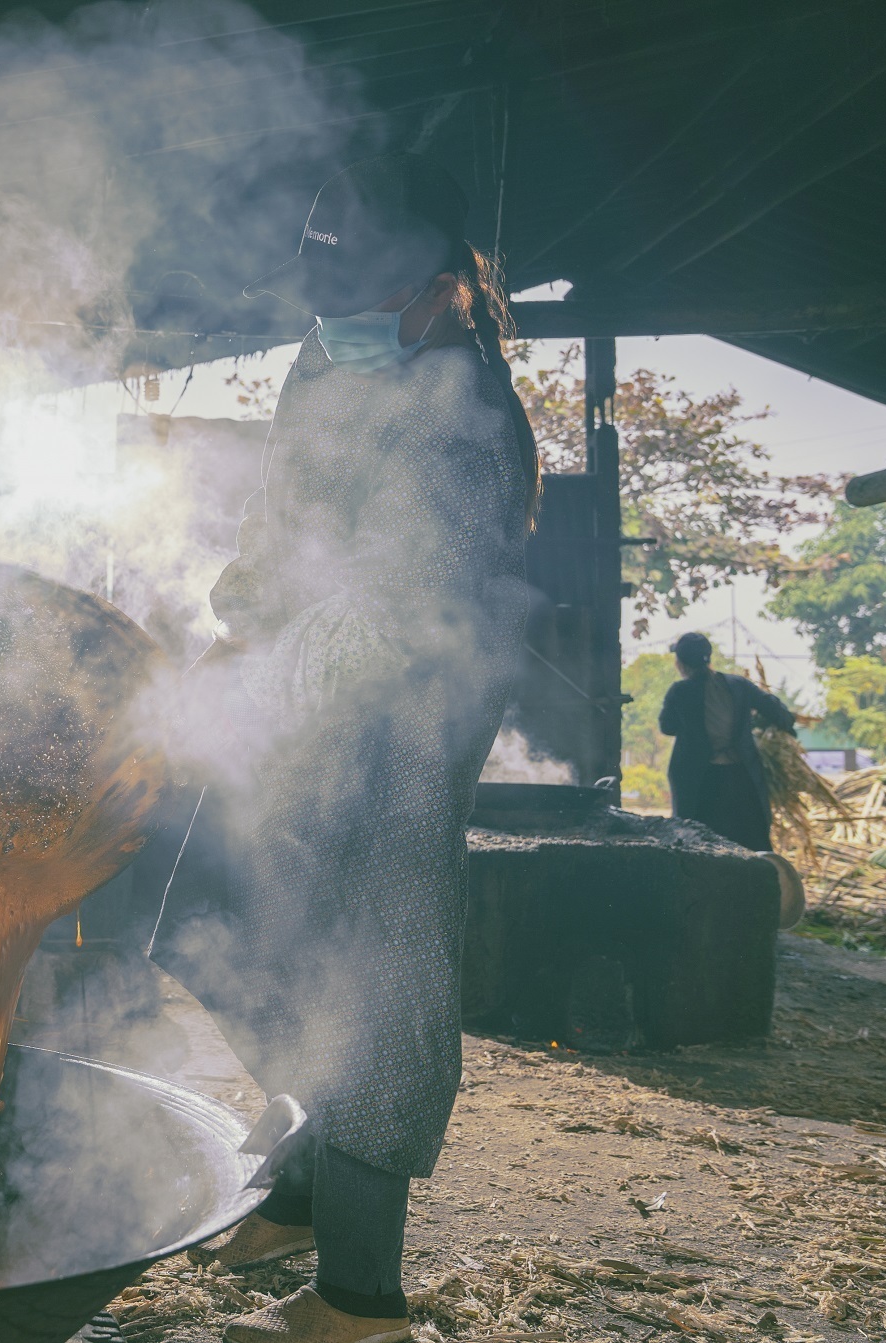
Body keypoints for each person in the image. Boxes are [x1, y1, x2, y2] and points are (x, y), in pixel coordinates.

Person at [148, 153, 537, 1343]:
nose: (337, 327)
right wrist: (234, 624)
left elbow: (403, 601)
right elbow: (284, 523)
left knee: (374, 975)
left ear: (444, 296)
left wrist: (258, 687)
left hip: (401, 713)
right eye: (325, 303)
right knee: (210, 913)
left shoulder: (465, 415)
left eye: (365, 303)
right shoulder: (329, 358)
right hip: (299, 685)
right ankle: (306, 1179)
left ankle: (359, 1300)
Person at [657, 631, 796, 851]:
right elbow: (776, 710)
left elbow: (667, 727)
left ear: (681, 664)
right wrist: (779, 724)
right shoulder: (738, 685)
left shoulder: (680, 692)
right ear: (708, 658)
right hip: (741, 777)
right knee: (749, 844)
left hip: (701, 783)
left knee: (701, 846)